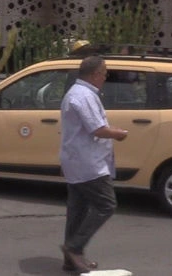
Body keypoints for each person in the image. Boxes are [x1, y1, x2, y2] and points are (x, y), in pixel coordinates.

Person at [59, 56, 128, 273]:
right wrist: (118, 133)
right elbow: (97, 129)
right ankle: (74, 247)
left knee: (78, 209)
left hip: (79, 160)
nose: (105, 78)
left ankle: (71, 258)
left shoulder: (79, 93)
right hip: (88, 163)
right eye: (105, 73)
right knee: (106, 205)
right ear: (95, 74)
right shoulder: (83, 95)